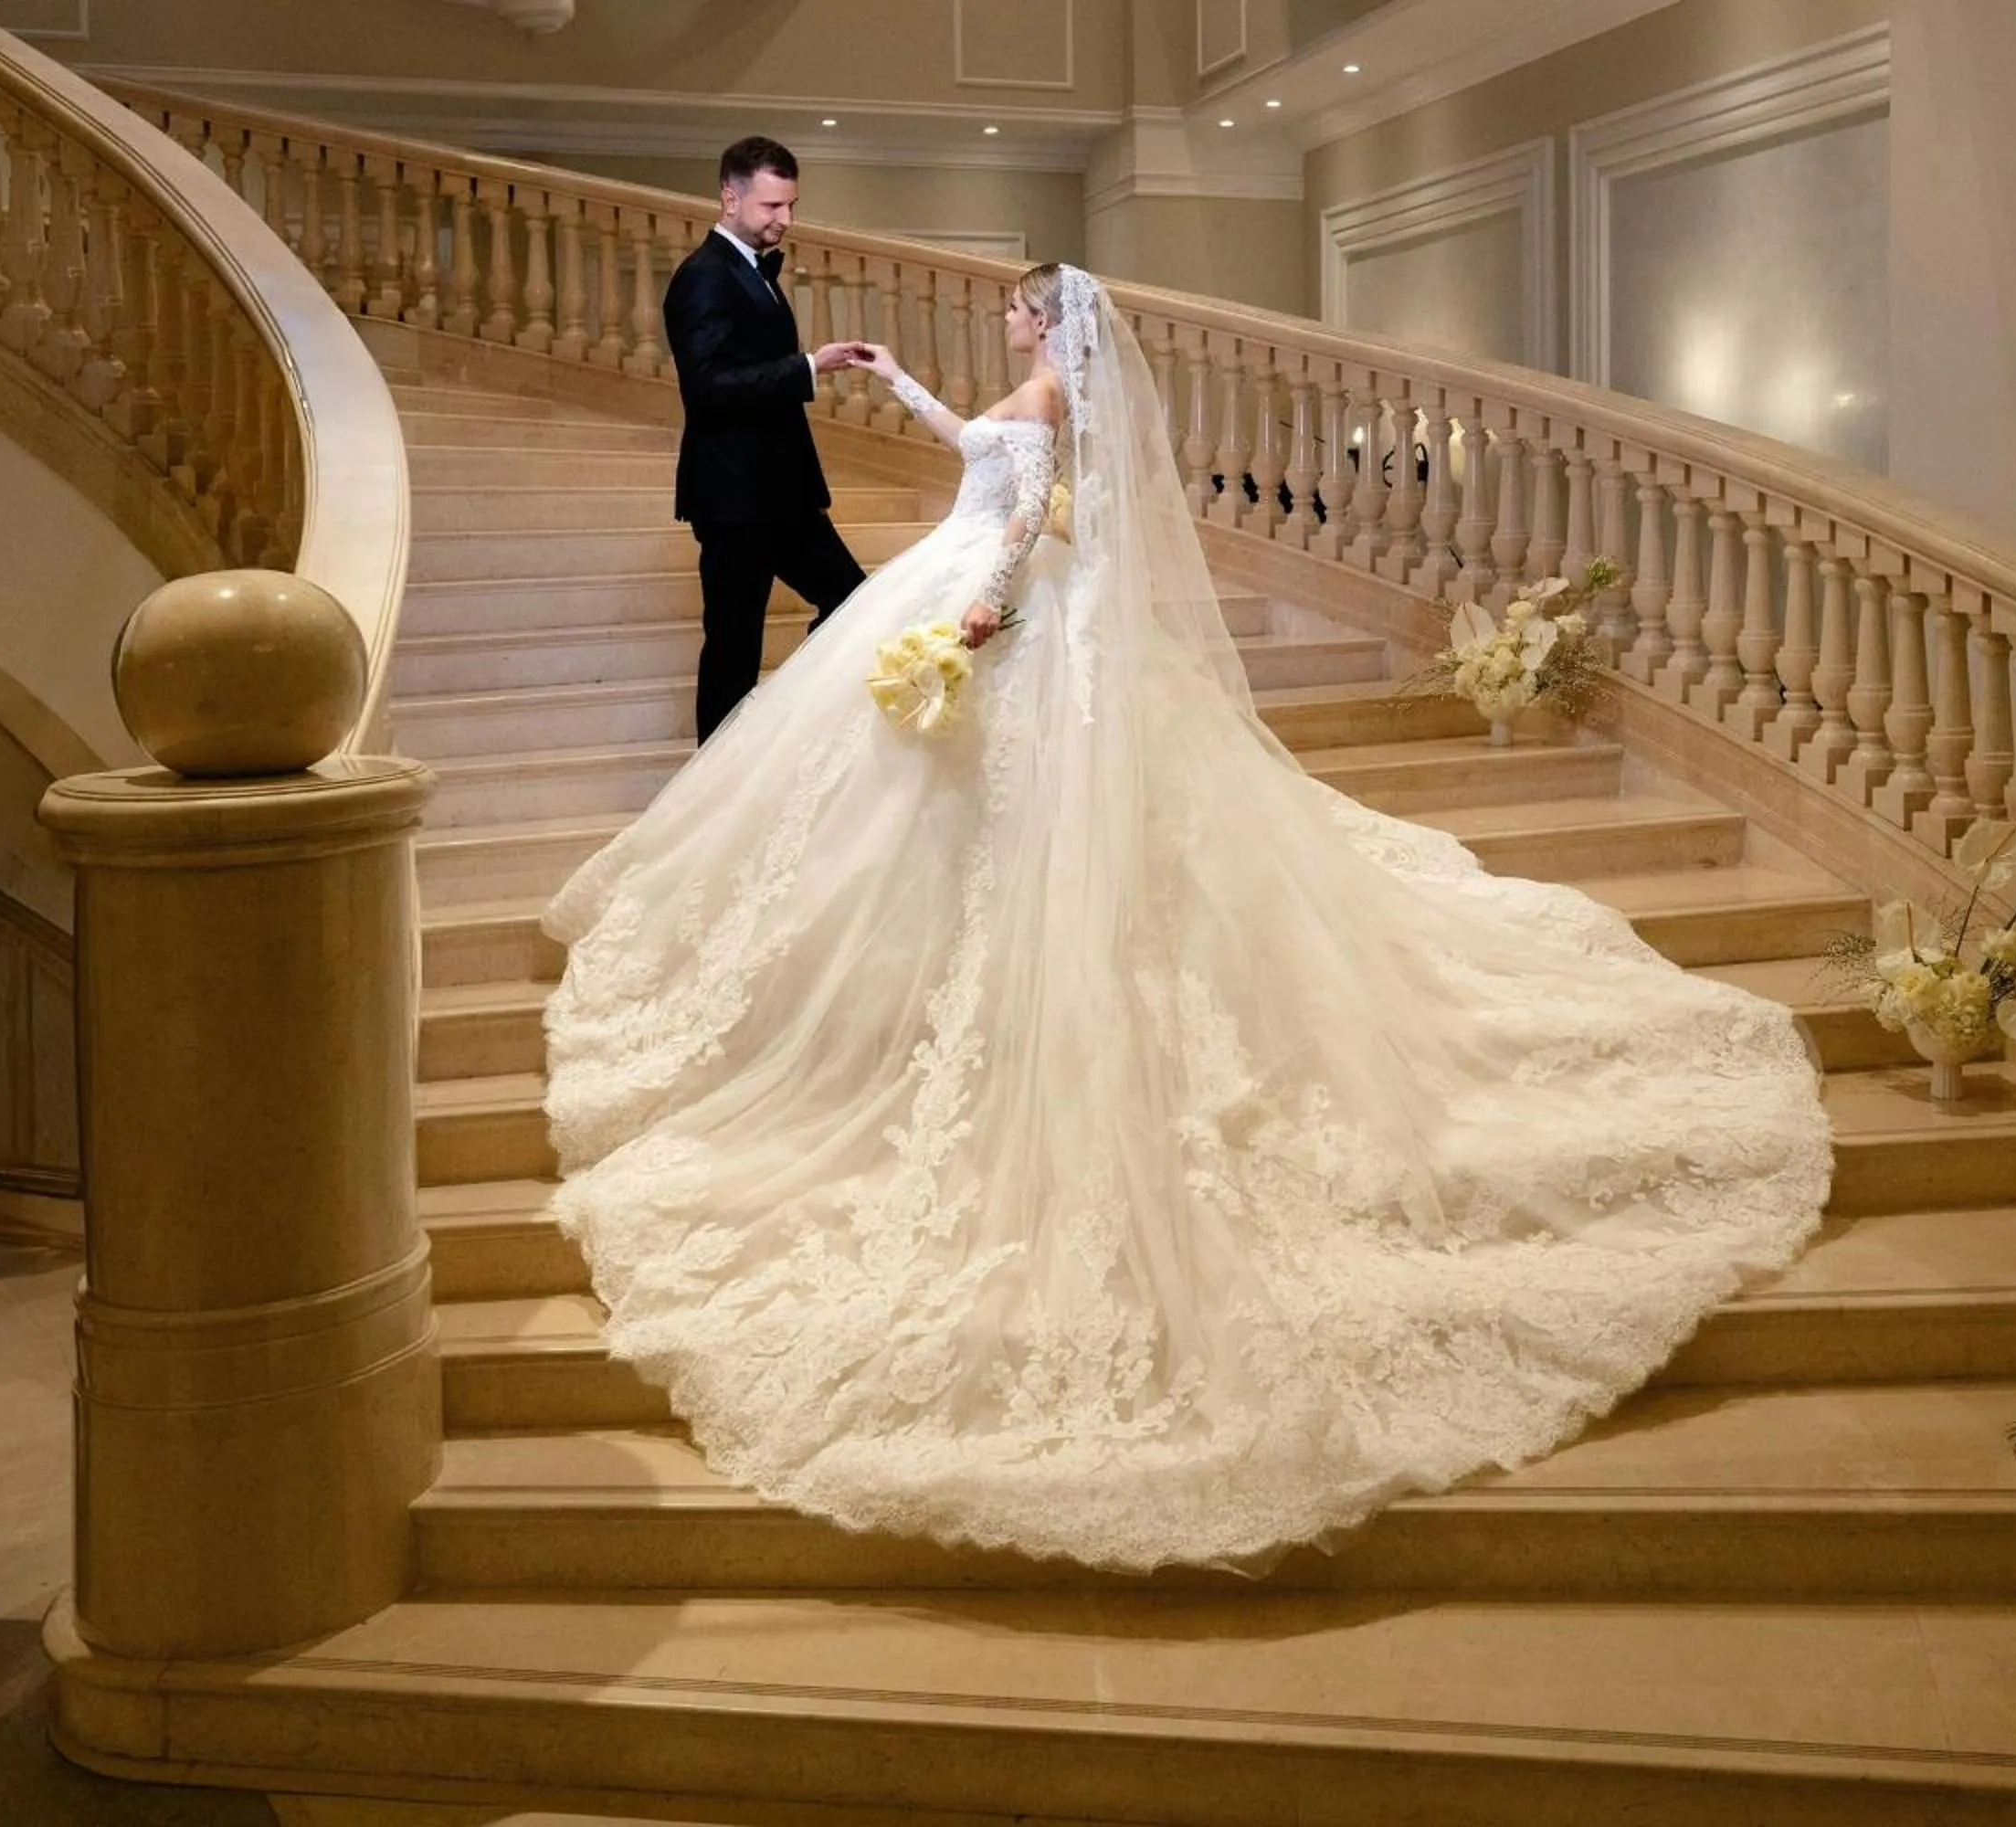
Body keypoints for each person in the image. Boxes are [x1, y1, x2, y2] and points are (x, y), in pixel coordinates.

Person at [542, 262, 1833, 1573]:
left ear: (1047, 323)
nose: (1003, 321)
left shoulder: (1050, 393)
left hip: (1000, 602)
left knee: (1037, 838)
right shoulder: (1042, 389)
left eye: (1014, 309)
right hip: (972, 585)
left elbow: (1027, 510)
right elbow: (987, 462)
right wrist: (898, 384)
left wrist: (986, 607)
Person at [664, 135, 871, 741]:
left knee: (852, 601)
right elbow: (706, 388)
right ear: (730, 198)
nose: (786, 220)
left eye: (791, 206)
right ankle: (711, 791)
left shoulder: (752, 269)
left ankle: (783, 732)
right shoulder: (703, 276)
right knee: (733, 645)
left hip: (783, 493)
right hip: (733, 497)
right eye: (771, 207)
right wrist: (808, 367)